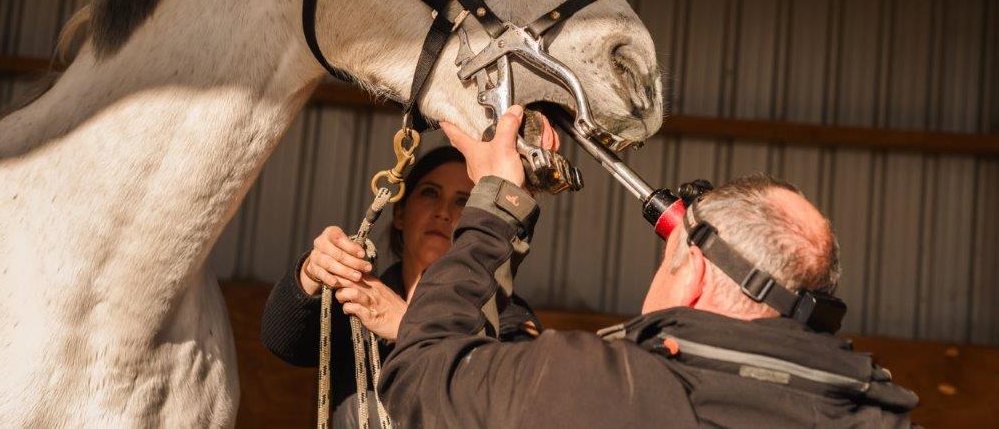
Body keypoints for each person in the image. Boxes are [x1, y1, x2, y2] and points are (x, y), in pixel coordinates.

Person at [378, 105, 920, 427]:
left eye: (668, 257)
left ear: (693, 270)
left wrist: (498, 201)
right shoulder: (879, 410)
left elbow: (422, 376)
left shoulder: (608, 389)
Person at [259, 146, 541, 427]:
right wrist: (312, 272)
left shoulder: (509, 316)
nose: (443, 212)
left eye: (462, 201)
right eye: (430, 193)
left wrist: (407, 326)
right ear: (400, 214)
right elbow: (283, 340)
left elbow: (513, 405)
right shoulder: (362, 299)